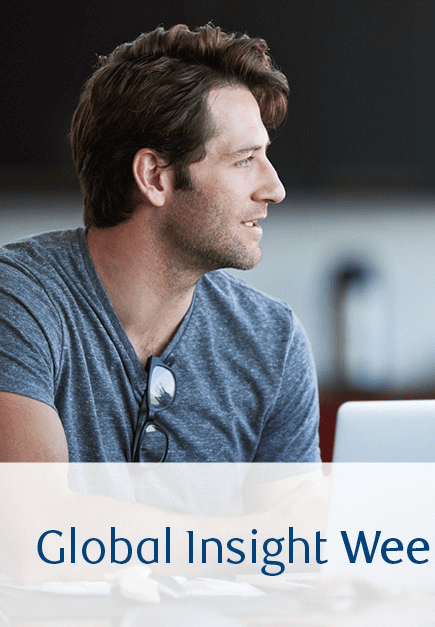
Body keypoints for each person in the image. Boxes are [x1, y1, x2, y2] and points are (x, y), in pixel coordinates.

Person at [0, 24, 319, 463]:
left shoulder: (272, 342)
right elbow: (36, 522)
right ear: (154, 176)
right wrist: (241, 531)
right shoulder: (18, 303)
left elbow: (296, 533)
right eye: (244, 160)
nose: (275, 188)